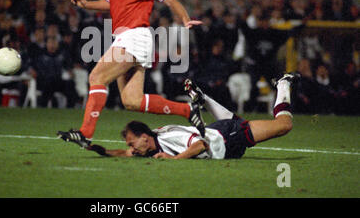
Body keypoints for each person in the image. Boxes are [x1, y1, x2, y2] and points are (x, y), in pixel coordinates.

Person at [58, 0, 204, 147]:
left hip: (135, 37)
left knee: (97, 77)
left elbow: (170, 0)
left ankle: (85, 133)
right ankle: (187, 110)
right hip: (125, 37)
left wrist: (185, 19)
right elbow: (110, 4)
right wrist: (87, 4)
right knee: (132, 101)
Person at [69, 73, 300, 160]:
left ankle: (282, 85)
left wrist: (175, 160)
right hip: (219, 128)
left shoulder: (168, 139)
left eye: (132, 142)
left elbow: (199, 145)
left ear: (144, 137)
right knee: (231, 121)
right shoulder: (149, 144)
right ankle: (201, 98)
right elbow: (119, 153)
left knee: (284, 125)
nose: (132, 148)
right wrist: (91, 147)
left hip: (229, 137)